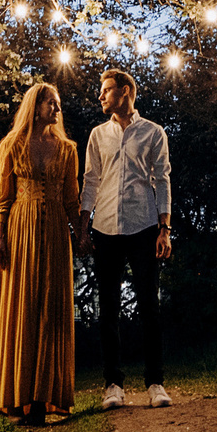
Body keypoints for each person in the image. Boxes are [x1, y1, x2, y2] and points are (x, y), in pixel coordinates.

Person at [0, 80, 80, 426]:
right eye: (52, 103)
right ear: (35, 107)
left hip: (55, 233)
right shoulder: (13, 144)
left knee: (50, 308)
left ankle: (40, 401)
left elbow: (72, 199)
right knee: (21, 306)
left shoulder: (68, 150)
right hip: (20, 230)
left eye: (58, 103)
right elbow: (3, 198)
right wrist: (0, 238)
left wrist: (81, 234)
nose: (57, 109)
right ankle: (15, 396)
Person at [78, 66, 173, 410]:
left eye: (106, 90)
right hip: (105, 227)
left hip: (144, 225)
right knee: (108, 309)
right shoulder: (98, 135)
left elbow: (162, 179)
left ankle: (155, 383)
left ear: (125, 91)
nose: (100, 96)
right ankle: (113, 385)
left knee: (149, 306)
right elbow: (90, 180)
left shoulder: (153, 132)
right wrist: (83, 226)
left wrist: (165, 229)